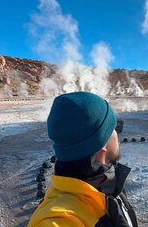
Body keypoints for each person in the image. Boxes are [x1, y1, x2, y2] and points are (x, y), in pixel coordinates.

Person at [28, 92, 138, 227]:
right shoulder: (59, 220)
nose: (118, 134)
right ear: (101, 148)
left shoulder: (108, 181)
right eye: (114, 128)